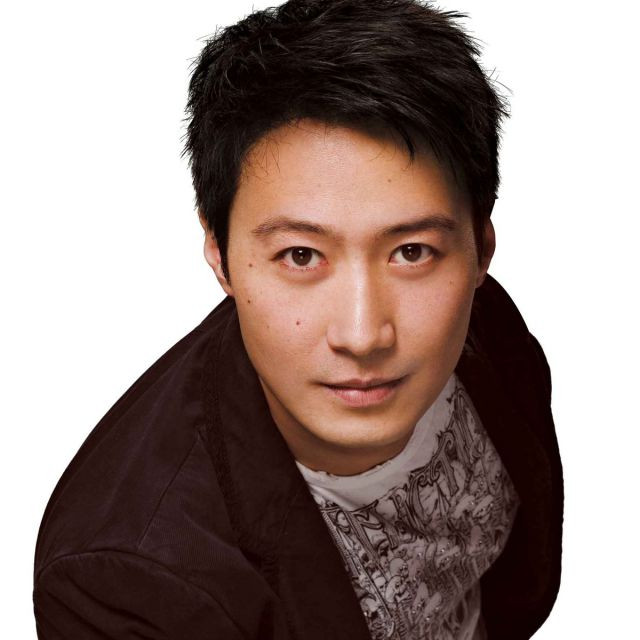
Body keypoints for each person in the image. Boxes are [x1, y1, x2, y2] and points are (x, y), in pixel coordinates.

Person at [32, 1, 563, 638]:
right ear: (220, 258)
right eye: (301, 255)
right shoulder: (128, 580)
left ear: (480, 249)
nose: (363, 335)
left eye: (411, 252)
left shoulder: (487, 326)